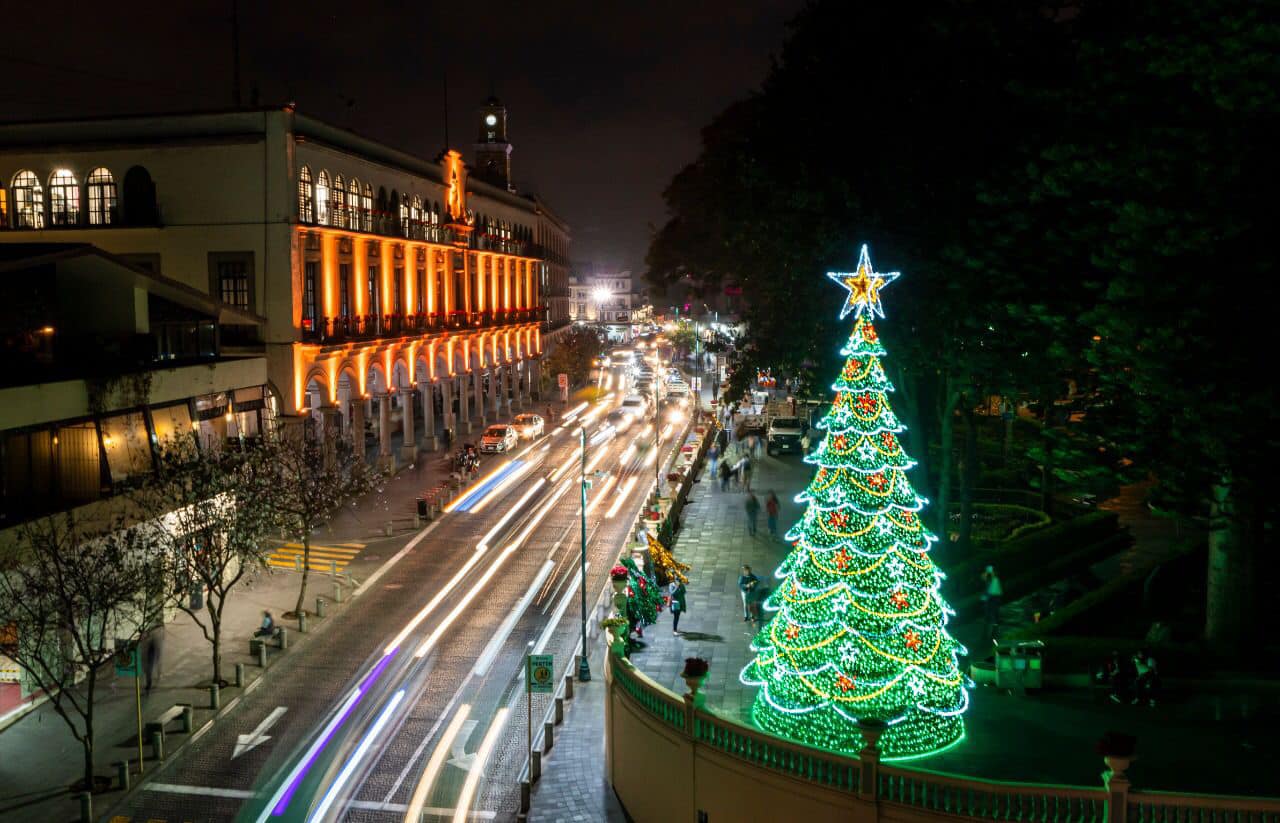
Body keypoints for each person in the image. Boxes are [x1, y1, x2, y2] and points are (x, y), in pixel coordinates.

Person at [980, 566, 1003, 642]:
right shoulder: (990, 579)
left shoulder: (995, 579)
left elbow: (994, 590)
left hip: (994, 597)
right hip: (991, 597)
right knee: (990, 613)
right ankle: (991, 628)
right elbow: (983, 578)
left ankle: (994, 629)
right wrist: (987, 573)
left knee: (993, 612)